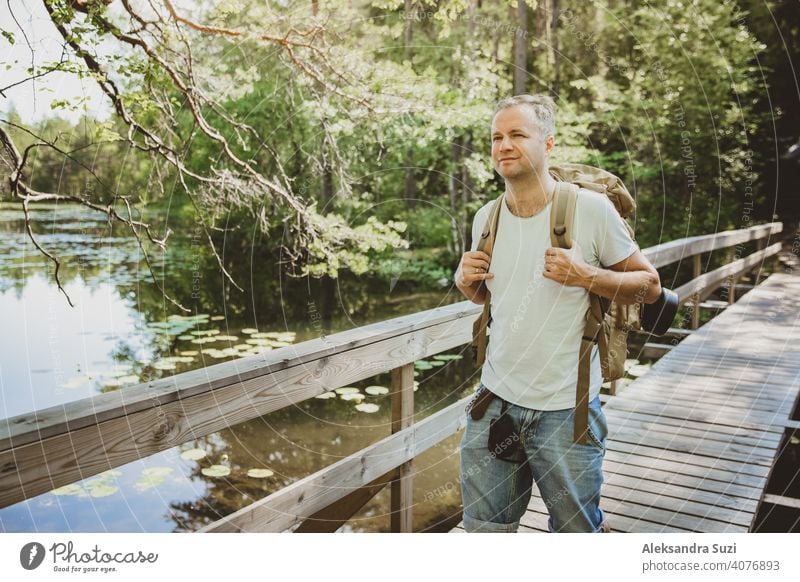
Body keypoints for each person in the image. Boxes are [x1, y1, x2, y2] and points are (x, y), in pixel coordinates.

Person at [455, 94, 662, 533]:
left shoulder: (590, 210)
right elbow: (491, 299)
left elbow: (650, 286)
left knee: (574, 535)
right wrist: (465, 284)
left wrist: (587, 275)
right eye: (496, 137)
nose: (503, 145)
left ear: (548, 144)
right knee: (483, 534)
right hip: (494, 403)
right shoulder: (485, 218)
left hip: (566, 412)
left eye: (517, 135)